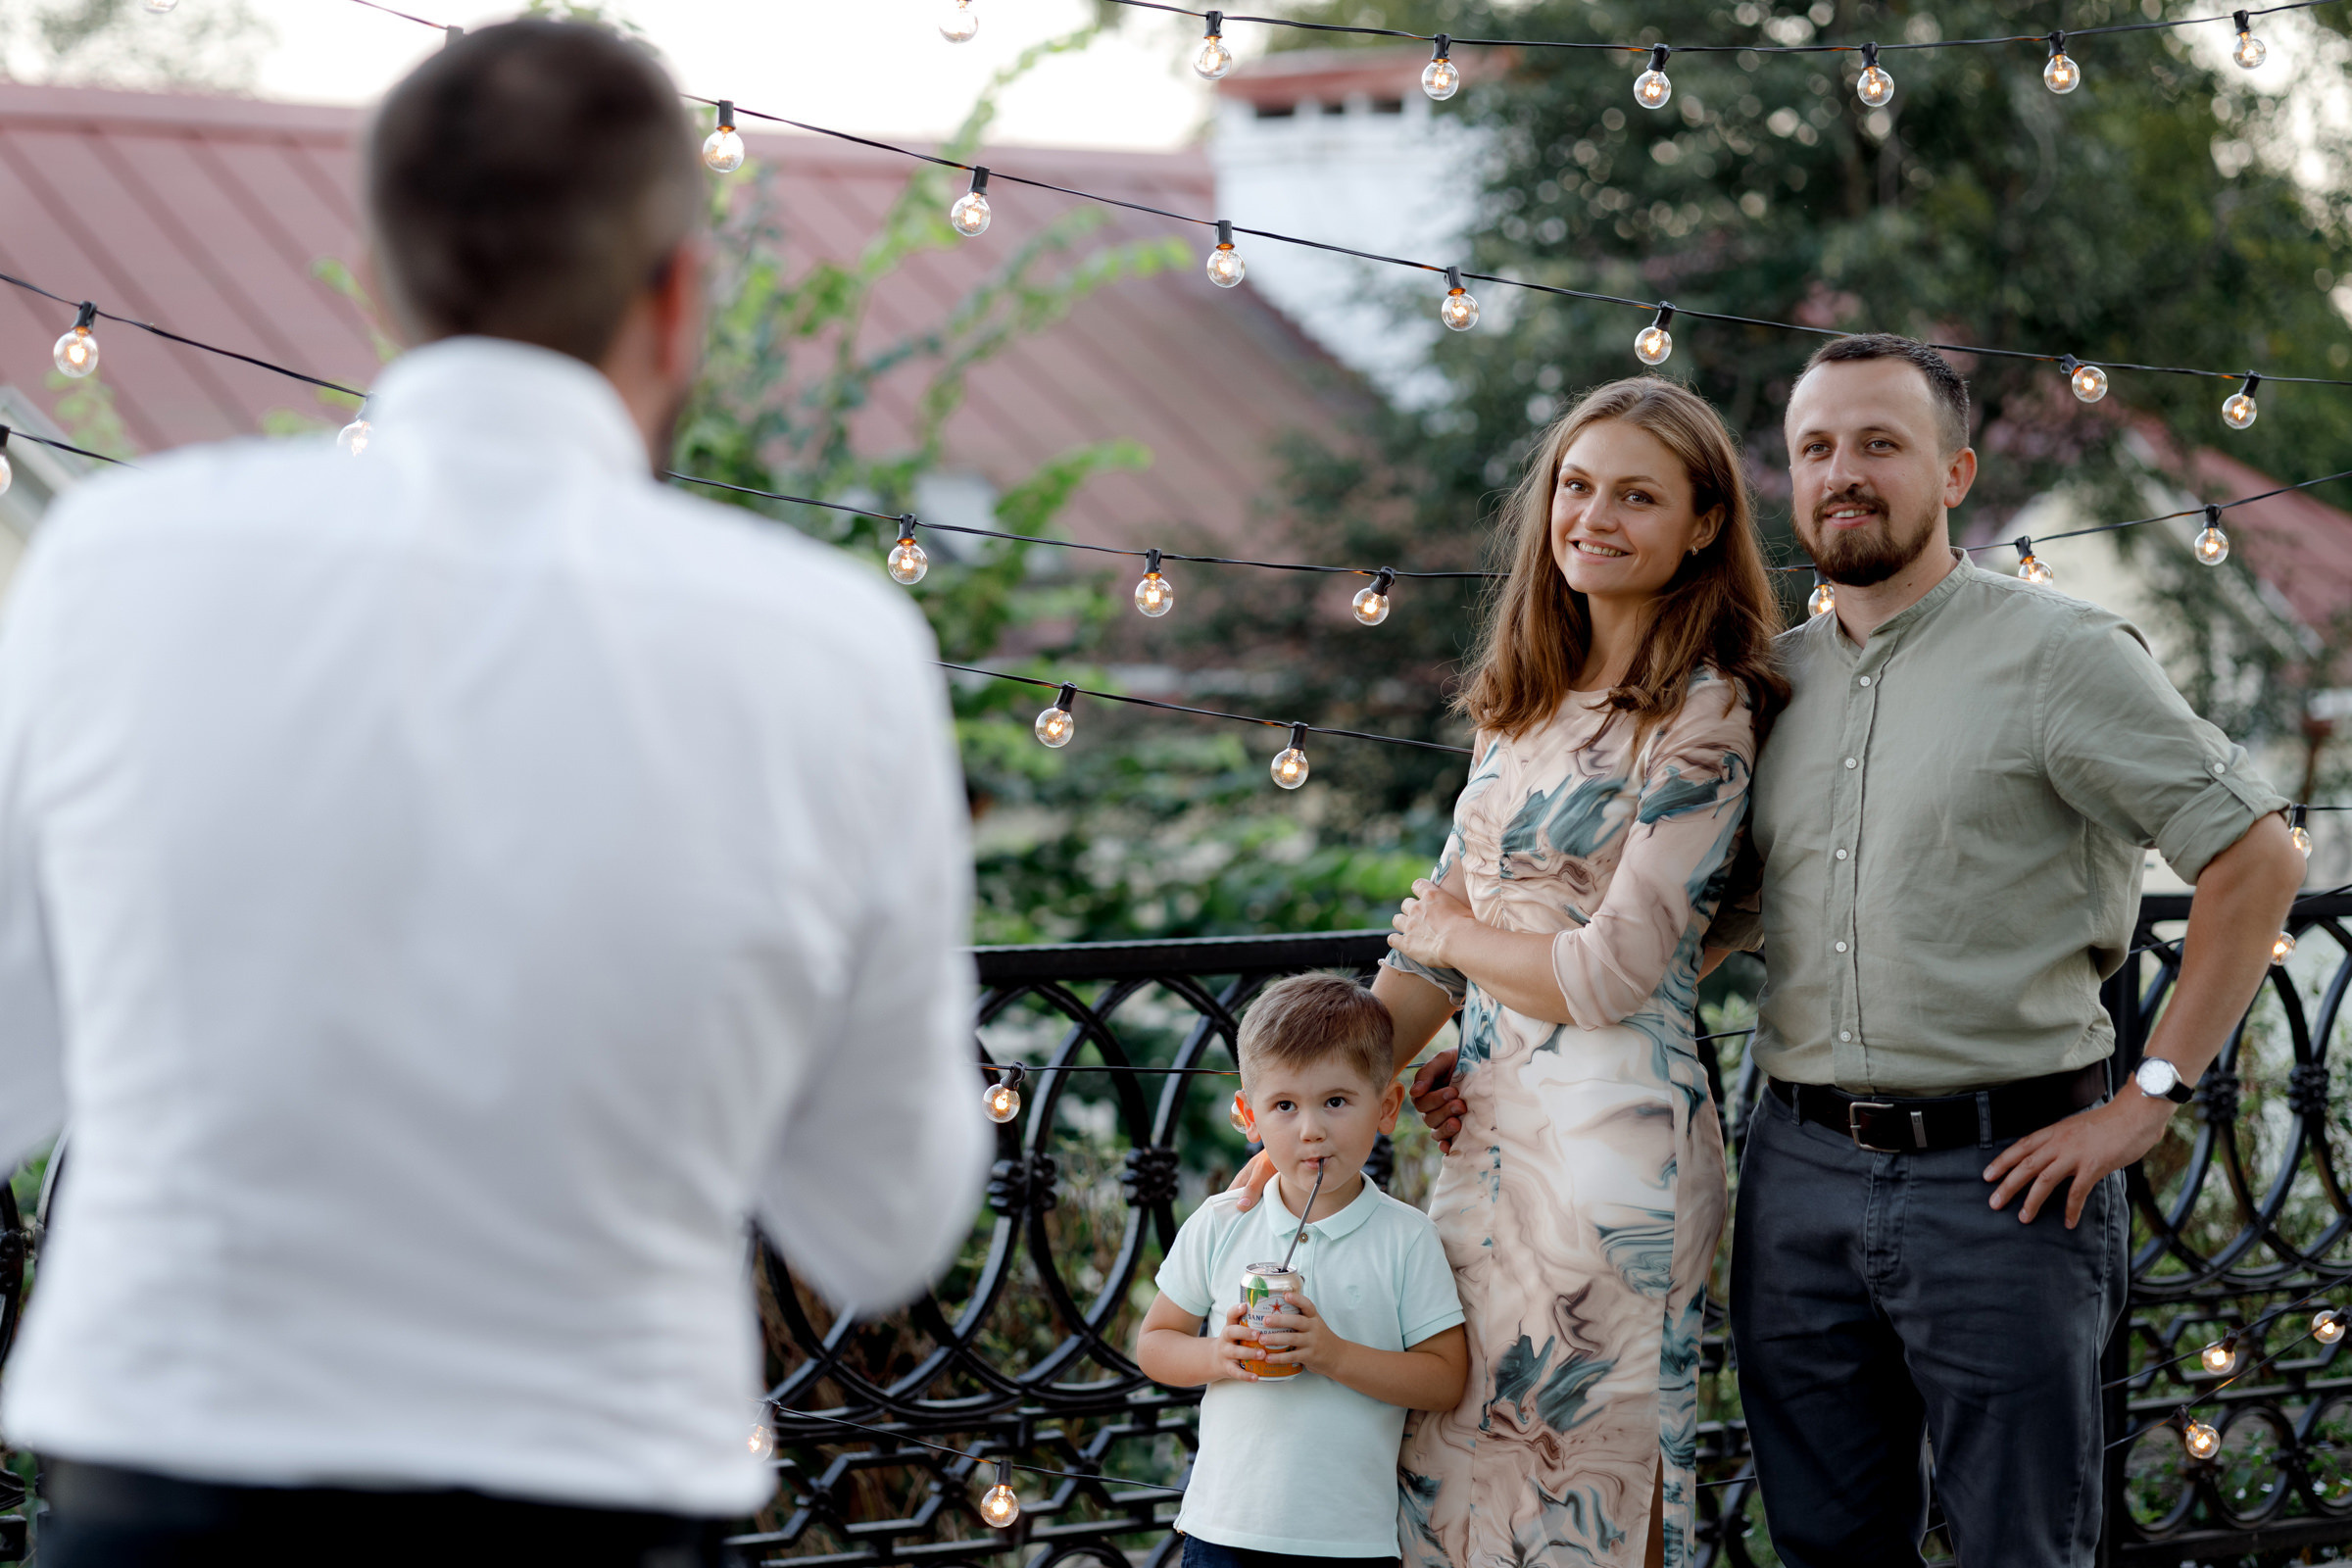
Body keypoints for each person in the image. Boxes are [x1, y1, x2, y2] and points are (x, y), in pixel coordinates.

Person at [0, 21, 987, 1567]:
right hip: (602, 1491)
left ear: (379, 283)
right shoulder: (835, 646)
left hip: (170, 1481)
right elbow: (885, 1220)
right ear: (679, 294)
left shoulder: (115, 562)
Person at [1703, 335, 2298, 1566]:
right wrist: (1513, 1047)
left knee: (2020, 1548)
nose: (1843, 473)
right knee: (1822, 1545)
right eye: (1816, 448)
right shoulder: (1770, 686)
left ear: (1955, 473)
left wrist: (2151, 1095)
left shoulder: (2060, 655)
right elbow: (1714, 920)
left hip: (2006, 1188)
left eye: (1881, 443)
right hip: (1796, 1175)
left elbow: (2257, 856)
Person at [1240, 378, 1787, 1568]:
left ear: (1704, 525)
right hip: (1481, 1140)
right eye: (1577, 487)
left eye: (1637, 496)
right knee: (1452, 1480)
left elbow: (1610, 971)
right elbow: (1417, 963)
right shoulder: (1521, 705)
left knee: (1591, 1490)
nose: (1595, 516)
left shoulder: (1708, 714)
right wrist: (1312, 1121)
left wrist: (1456, 939)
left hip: (1615, 1165)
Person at [1137, 973, 1467, 1568]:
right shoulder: (1222, 1223)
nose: (1311, 1129)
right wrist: (1218, 1355)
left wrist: (1332, 1354)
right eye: (1284, 1106)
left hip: (1348, 1542)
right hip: (1224, 1531)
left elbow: (1445, 1379)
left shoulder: (1406, 1237)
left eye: (1336, 1102)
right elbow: (1156, 1344)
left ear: (1386, 1107)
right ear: (1249, 1115)